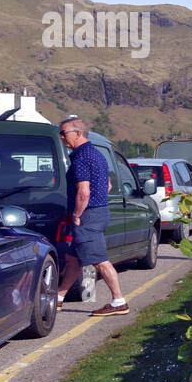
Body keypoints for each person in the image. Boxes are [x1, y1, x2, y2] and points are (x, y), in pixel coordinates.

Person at [55, 117, 130, 316]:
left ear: (78, 133)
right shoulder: (96, 154)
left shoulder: (81, 158)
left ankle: (118, 301)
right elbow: (108, 186)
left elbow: (84, 192)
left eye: (64, 133)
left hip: (87, 216)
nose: (61, 137)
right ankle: (59, 297)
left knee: (99, 260)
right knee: (73, 258)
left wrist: (78, 215)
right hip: (100, 212)